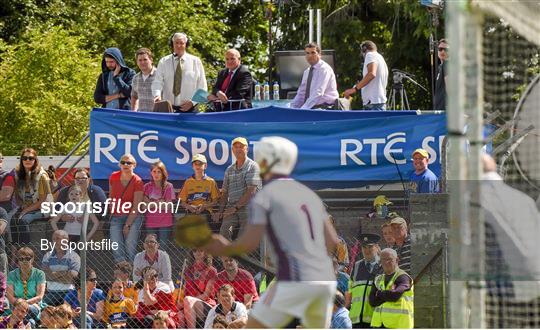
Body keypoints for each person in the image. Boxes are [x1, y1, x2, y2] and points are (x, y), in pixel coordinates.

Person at [202, 136, 339, 328]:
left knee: (254, 326)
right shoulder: (308, 194)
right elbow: (332, 240)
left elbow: (249, 243)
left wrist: (226, 246)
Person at [212, 137, 261, 240]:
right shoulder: (229, 170)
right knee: (224, 232)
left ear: (247, 149)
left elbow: (251, 192)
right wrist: (220, 211)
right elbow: (224, 193)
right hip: (232, 207)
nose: (238, 149)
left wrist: (234, 208)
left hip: (249, 207)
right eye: (236, 147)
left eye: (241, 147)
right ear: (232, 150)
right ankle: (229, 256)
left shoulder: (253, 166)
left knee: (244, 237)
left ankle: (241, 255)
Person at [152, 32, 207, 112]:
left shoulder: (196, 61)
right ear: (172, 44)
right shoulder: (163, 61)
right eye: (176, 43)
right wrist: (157, 94)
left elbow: (203, 88)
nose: (178, 46)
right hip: (168, 110)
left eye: (181, 43)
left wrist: (192, 102)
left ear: (186, 44)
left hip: (191, 110)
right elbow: (157, 82)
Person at [109, 154, 144, 262]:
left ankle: (133, 275)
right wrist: (111, 211)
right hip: (116, 216)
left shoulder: (138, 181)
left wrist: (127, 225)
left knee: (130, 247)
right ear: (120, 164)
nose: (125, 164)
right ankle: (122, 275)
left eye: (128, 163)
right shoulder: (113, 177)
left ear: (134, 165)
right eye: (123, 162)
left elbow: (136, 205)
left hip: (133, 217)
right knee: (116, 247)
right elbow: (111, 197)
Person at [12, 148, 51, 245]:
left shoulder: (42, 175)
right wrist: (22, 205)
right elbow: (17, 196)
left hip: (42, 209)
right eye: (25, 158)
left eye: (31, 158)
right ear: (21, 160)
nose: (28, 160)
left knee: (23, 221)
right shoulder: (18, 174)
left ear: (35, 160)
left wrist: (25, 210)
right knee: (13, 221)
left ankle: (26, 251)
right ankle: (15, 253)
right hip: (28, 208)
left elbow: (42, 200)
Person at [369, 248, 414, 329]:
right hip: (380, 325)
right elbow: (372, 301)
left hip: (400, 325)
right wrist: (387, 294)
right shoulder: (378, 279)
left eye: (389, 259)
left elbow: (394, 296)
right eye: (383, 260)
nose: (386, 262)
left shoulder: (403, 277)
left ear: (397, 260)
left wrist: (379, 294)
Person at [347, 234, 382, 328]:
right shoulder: (357, 266)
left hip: (375, 319)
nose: (367, 250)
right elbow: (349, 290)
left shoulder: (383, 265)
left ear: (377, 247)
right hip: (356, 319)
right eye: (364, 247)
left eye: (370, 247)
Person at [290, 42, 339, 109]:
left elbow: (318, 93)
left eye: (313, 53)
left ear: (319, 54)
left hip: (327, 109)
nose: (310, 56)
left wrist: (303, 110)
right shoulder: (307, 72)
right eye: (307, 53)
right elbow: (301, 94)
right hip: (313, 108)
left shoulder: (324, 69)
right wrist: (292, 108)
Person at [179, 154, 220, 232]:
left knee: (205, 238)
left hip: (206, 213)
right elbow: (182, 202)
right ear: (192, 166)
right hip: (191, 213)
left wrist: (204, 206)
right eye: (195, 164)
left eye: (200, 163)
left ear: (205, 166)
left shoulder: (211, 181)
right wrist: (190, 207)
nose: (198, 166)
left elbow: (215, 201)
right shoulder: (188, 182)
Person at [343, 40, 389, 110]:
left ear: (364, 49)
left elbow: (371, 74)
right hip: (378, 103)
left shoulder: (370, 55)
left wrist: (354, 89)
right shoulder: (380, 58)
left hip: (373, 103)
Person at [6, 247, 46, 326]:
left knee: (30, 309)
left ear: (32, 259)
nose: (24, 261)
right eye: (21, 259)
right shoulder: (12, 274)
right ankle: (26, 323)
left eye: (27, 258)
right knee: (31, 322)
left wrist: (24, 304)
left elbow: (39, 296)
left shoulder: (39, 274)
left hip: (34, 305)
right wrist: (19, 304)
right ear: (18, 260)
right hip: (16, 306)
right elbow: (10, 296)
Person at [42, 230, 81, 306]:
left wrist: (52, 275)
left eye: (57, 238)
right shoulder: (47, 256)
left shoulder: (74, 256)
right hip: (51, 293)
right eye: (53, 239)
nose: (54, 241)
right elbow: (45, 276)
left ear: (65, 240)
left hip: (69, 292)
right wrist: (65, 273)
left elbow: (72, 277)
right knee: (41, 309)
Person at [143, 161, 175, 248]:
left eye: (159, 172)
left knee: (163, 248)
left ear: (163, 173)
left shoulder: (168, 186)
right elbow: (143, 206)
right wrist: (159, 202)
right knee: (150, 247)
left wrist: (152, 204)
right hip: (150, 222)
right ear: (151, 173)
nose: (156, 174)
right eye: (154, 171)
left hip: (165, 222)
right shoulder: (147, 187)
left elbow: (168, 206)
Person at [183, 249, 217, 329]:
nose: (197, 252)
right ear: (192, 253)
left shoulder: (211, 271)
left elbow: (206, 295)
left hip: (206, 304)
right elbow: (186, 292)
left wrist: (188, 300)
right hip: (188, 304)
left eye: (200, 250)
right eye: (195, 250)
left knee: (188, 299)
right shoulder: (188, 270)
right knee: (180, 316)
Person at [132, 48, 158, 112]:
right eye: (140, 60)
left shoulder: (160, 75)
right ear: (137, 62)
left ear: (151, 60)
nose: (142, 62)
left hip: (158, 116)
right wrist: (134, 112)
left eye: (145, 59)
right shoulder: (135, 78)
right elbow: (134, 96)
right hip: (141, 117)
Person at [434, 38, 448, 110]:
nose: (442, 51)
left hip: (445, 111)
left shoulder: (447, 64)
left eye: (446, 49)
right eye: (440, 49)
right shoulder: (441, 66)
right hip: (440, 110)